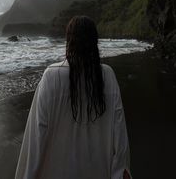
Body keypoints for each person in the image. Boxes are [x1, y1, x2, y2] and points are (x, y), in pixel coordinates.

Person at [15, 16, 132, 179]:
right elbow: (119, 133)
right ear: (94, 42)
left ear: (69, 41)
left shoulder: (52, 76)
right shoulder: (108, 76)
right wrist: (120, 170)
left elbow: (35, 138)